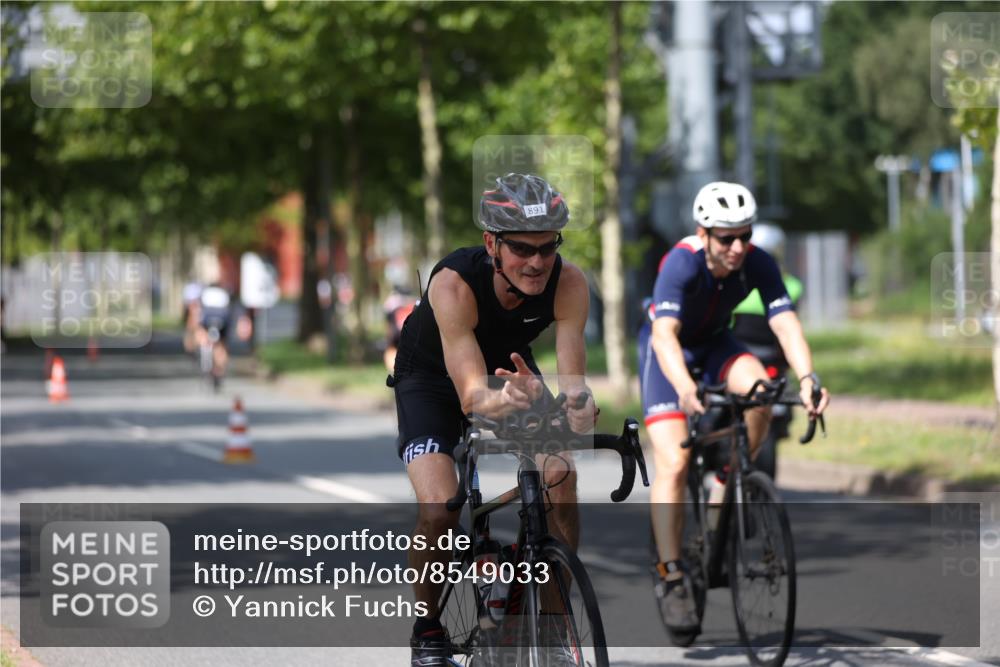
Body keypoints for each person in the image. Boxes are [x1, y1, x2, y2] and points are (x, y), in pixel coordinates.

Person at [389, 173, 597, 667]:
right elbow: (471, 397)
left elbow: (575, 384)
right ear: (492, 244)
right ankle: (428, 627)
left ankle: (550, 631)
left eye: (547, 248)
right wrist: (509, 398)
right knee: (441, 508)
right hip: (434, 381)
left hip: (510, 374)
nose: (536, 262)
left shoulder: (568, 283)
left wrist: (579, 406)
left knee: (560, 475)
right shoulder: (453, 284)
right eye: (522, 248)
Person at [638, 182, 830, 641]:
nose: (738, 247)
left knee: (762, 390)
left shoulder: (758, 260)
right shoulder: (680, 262)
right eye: (727, 238)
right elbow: (665, 335)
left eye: (745, 235)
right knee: (676, 461)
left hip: (717, 346)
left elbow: (784, 322)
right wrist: (685, 389)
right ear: (703, 234)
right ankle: (671, 574)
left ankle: (729, 476)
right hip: (669, 357)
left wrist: (808, 379)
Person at [196, 283, 251, 392]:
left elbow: (198, 311)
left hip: (207, 319)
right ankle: (219, 371)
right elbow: (232, 308)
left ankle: (205, 359)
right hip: (223, 320)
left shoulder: (205, 293)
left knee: (203, 336)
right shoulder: (225, 293)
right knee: (221, 345)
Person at [382, 285, 418, 373]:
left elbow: (389, 323)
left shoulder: (390, 302)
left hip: (396, 333)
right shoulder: (414, 301)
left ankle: (394, 373)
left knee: (391, 349)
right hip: (411, 333)